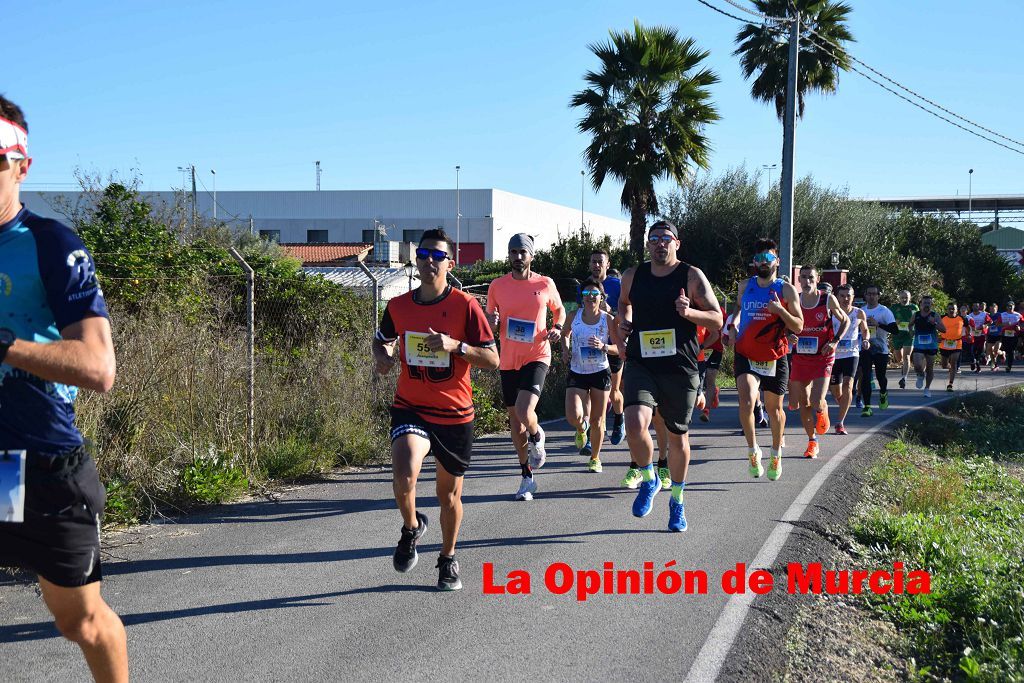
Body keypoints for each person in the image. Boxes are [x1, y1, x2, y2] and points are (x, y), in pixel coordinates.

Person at [0, 96, 127, 682]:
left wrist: (5, 349)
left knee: (78, 619)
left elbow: (99, 367)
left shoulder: (49, 242)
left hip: (39, 465)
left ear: (21, 165)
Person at [373, 229, 499, 591]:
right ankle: (411, 528)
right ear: (416, 259)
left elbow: (492, 357)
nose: (430, 261)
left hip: (454, 414)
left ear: (450, 262)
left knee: (448, 496)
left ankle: (448, 558)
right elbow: (382, 342)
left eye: (438, 256)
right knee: (404, 475)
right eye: (425, 254)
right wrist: (383, 358)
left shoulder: (465, 306)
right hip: (410, 407)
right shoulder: (398, 306)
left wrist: (456, 345)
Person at [617, 220, 722, 531]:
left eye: (666, 238)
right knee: (634, 422)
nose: (659, 243)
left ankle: (677, 501)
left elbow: (716, 318)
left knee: (678, 438)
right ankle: (650, 478)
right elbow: (623, 304)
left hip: (680, 366)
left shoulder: (691, 276)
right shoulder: (632, 275)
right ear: (648, 245)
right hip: (642, 362)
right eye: (654, 239)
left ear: (677, 243)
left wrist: (689, 313)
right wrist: (624, 321)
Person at [486, 234, 565, 501]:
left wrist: (556, 328)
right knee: (514, 422)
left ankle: (538, 432)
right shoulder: (497, 285)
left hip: (537, 354)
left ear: (531, 255)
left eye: (522, 252)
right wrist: (493, 321)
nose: (517, 257)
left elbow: (560, 311)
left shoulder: (545, 283)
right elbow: (490, 321)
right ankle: (526, 476)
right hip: (509, 359)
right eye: (513, 252)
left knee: (523, 410)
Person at [726, 238, 803, 481]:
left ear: (777, 262)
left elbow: (799, 325)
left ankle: (776, 453)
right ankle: (752, 450)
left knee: (774, 409)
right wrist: (733, 326)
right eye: (758, 259)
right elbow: (738, 310)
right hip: (746, 352)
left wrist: (780, 311)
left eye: (767, 258)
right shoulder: (744, 286)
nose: (762, 263)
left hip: (775, 355)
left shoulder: (786, 290)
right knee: (747, 401)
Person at [788, 267, 848, 458]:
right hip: (800, 357)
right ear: (799, 279)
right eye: (803, 278)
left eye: (810, 278)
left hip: (823, 357)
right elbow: (782, 323)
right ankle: (812, 441)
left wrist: (834, 341)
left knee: (815, 400)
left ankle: (822, 409)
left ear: (817, 279)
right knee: (803, 402)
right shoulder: (794, 300)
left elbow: (845, 320)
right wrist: (789, 334)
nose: (807, 281)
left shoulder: (827, 299)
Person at [562, 276, 618, 472]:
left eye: (595, 294)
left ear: (602, 297)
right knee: (573, 415)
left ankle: (595, 458)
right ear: (582, 297)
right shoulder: (573, 316)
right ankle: (580, 428)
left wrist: (603, 346)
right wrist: (565, 349)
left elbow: (619, 348)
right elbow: (565, 334)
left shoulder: (607, 319)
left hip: (600, 372)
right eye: (586, 293)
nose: (590, 297)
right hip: (577, 371)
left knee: (598, 420)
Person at [575, 249, 626, 447]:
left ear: (607, 264)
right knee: (590, 394)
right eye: (593, 261)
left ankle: (619, 419)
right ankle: (590, 434)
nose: (596, 265)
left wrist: (612, 312)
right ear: (589, 264)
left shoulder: (616, 285)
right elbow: (581, 312)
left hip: (612, 343)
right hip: (590, 346)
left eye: (600, 262)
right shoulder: (584, 286)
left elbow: (627, 308)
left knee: (613, 392)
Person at [830, 284, 870, 435]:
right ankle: (844, 405)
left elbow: (865, 330)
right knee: (835, 392)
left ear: (853, 297)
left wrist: (866, 340)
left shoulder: (859, 313)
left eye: (849, 296)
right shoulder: (831, 313)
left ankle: (840, 423)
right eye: (842, 296)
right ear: (837, 297)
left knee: (848, 385)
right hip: (833, 355)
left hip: (852, 354)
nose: (846, 299)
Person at [859, 285, 899, 416]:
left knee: (881, 376)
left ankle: (883, 392)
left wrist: (878, 324)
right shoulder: (861, 311)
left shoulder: (884, 311)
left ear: (878, 296)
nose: (871, 296)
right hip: (865, 348)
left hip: (881, 349)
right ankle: (867, 406)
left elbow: (895, 330)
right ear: (865, 296)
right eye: (869, 294)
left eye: (874, 294)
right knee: (865, 376)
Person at [910, 295, 945, 397]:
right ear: (920, 304)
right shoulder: (915, 315)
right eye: (925, 303)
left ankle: (927, 389)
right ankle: (920, 375)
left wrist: (934, 323)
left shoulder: (935, 315)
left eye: (929, 303)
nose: (927, 305)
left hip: (931, 346)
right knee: (917, 365)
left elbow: (944, 330)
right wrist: (911, 332)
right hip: (919, 344)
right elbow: (910, 325)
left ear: (931, 304)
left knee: (930, 368)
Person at [891, 291, 918, 389]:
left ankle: (904, 378)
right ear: (899, 298)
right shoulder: (894, 308)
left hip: (909, 335)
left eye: (906, 297)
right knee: (899, 358)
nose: (904, 299)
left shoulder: (914, 307)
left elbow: (917, 319)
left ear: (910, 297)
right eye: (902, 297)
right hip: (897, 335)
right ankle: (903, 366)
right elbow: (888, 319)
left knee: (907, 356)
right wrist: (894, 322)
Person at [938, 302, 965, 391]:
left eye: (953, 308)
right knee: (944, 365)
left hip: (957, 344)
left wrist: (968, 334)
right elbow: (934, 327)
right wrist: (937, 337)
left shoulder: (962, 319)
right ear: (947, 310)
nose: (951, 310)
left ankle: (950, 384)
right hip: (944, 344)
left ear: (957, 310)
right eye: (949, 308)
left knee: (953, 362)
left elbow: (968, 327)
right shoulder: (942, 318)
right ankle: (950, 367)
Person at [966, 302, 991, 373]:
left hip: (981, 335)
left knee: (979, 351)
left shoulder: (984, 314)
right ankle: (974, 363)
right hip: (972, 335)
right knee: (972, 351)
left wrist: (984, 325)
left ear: (979, 307)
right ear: (972, 307)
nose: (975, 307)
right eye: (973, 306)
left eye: (976, 306)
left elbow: (990, 322)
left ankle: (978, 364)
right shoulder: (969, 315)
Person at [996, 301, 1021, 372]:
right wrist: (1004, 324)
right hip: (1005, 335)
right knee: (1006, 350)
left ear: (1014, 306)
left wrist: (1019, 327)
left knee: (1011, 351)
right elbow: (997, 324)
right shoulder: (1002, 315)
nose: (1010, 307)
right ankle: (1004, 354)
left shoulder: (1018, 315)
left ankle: (1009, 366)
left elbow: (1022, 324)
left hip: (1014, 335)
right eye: (1008, 306)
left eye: (1011, 306)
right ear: (1006, 307)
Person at [985, 303, 1002, 370]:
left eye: (994, 308)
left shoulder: (999, 315)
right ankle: (994, 363)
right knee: (989, 350)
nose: (992, 309)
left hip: (998, 334)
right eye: (991, 308)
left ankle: (1002, 353)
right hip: (991, 334)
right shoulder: (987, 315)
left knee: (996, 350)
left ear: (996, 308)